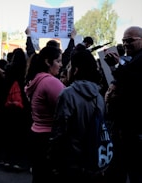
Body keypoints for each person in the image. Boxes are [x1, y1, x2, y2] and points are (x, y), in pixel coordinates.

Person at [53, 44, 104, 183]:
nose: (67, 70)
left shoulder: (68, 94)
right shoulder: (99, 95)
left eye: (69, 67)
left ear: (75, 70)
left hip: (71, 161)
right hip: (93, 159)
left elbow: (60, 131)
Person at [104, 26, 142, 183]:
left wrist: (118, 66)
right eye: (124, 40)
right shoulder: (133, 58)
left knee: (135, 170)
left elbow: (135, 83)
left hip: (135, 127)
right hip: (124, 127)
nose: (126, 44)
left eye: (130, 40)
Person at [24, 46, 65, 183]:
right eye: (58, 61)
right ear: (48, 62)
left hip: (37, 134)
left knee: (40, 175)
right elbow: (67, 107)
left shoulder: (38, 79)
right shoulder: (50, 81)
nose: (61, 65)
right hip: (49, 137)